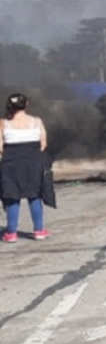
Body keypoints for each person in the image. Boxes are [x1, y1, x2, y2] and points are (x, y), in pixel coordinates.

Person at [0, 93, 50, 242]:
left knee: (12, 196)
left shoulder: (3, 123)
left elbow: (0, 147)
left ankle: (11, 234)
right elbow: (43, 144)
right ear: (26, 104)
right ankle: (39, 231)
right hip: (33, 162)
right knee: (34, 195)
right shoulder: (37, 121)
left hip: (10, 163)